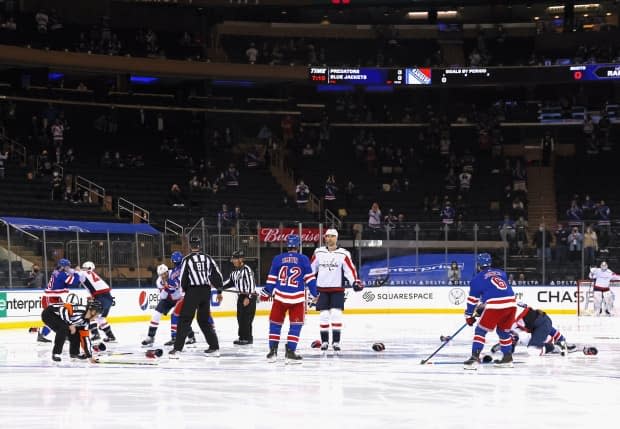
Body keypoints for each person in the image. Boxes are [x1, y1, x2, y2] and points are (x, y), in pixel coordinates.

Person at [261, 235, 317, 363]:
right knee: (295, 326)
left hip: (280, 297)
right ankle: (290, 352)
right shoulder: (303, 259)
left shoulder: (278, 258)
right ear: (298, 246)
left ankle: (272, 352)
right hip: (297, 299)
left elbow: (271, 279)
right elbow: (310, 279)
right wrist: (315, 293)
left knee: (275, 325)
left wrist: (266, 292)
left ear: (287, 246)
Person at [310, 228, 363, 355]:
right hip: (321, 290)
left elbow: (350, 270)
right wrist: (307, 282)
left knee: (335, 314)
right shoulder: (318, 252)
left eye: (332, 236)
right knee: (323, 316)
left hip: (337, 290)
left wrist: (355, 282)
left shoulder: (343, 254)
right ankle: (324, 342)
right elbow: (311, 269)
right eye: (327, 236)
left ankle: (336, 342)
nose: (329, 238)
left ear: (336, 238)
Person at [170, 237, 223, 358]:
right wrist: (219, 290)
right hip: (206, 291)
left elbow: (183, 277)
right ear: (200, 245)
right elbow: (217, 274)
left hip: (193, 291)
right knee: (204, 320)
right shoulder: (208, 258)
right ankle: (214, 347)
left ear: (190, 246)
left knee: (184, 319)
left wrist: (185, 291)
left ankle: (177, 350)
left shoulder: (187, 260)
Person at [463, 253, 517, 369]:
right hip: (512, 304)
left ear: (478, 265)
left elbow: (472, 300)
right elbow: (497, 291)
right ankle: (508, 358)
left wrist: (468, 316)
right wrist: (484, 307)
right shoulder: (501, 273)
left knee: (480, 331)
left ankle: (474, 358)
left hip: (496, 306)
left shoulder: (476, 279)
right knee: (503, 332)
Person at [497, 302, 576, 356]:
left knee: (532, 350)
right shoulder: (514, 303)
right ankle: (559, 342)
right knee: (530, 333)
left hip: (540, 324)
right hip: (542, 320)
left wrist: (507, 345)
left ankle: (556, 345)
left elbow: (516, 335)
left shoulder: (508, 316)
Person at [37, 258, 81, 343]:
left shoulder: (57, 272)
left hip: (54, 297)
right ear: (63, 267)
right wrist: (77, 273)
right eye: (67, 266)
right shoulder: (61, 274)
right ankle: (44, 335)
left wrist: (72, 272)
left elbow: (66, 282)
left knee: (62, 316)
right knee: (56, 317)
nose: (69, 268)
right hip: (49, 298)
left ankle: (62, 334)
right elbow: (73, 282)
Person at [141, 263, 184, 347]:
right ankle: (150, 337)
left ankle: (190, 336)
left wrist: (171, 286)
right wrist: (166, 287)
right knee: (156, 315)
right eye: (161, 274)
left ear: (168, 271)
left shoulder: (175, 273)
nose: (164, 276)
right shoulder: (159, 281)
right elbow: (163, 296)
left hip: (179, 298)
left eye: (165, 273)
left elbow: (178, 285)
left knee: (179, 317)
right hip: (167, 299)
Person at [222, 250, 257, 345]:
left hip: (249, 296)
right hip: (241, 297)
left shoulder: (247, 269)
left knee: (247, 318)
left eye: (235, 259)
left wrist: (248, 297)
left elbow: (251, 284)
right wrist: (219, 286)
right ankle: (242, 337)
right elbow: (230, 282)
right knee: (240, 318)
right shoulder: (234, 272)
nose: (233, 261)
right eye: (233, 259)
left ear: (241, 259)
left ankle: (248, 338)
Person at [166, 251, 198, 347]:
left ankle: (174, 337)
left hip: (185, 296)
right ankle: (191, 337)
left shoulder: (173, 273)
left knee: (175, 315)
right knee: (182, 318)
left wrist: (167, 284)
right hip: (192, 295)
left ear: (172, 261)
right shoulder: (188, 267)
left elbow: (173, 286)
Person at [79, 261, 116, 343]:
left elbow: (74, 275)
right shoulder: (93, 274)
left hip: (100, 297)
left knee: (89, 316)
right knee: (100, 318)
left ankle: (95, 334)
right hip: (108, 298)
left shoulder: (83, 273)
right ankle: (111, 336)